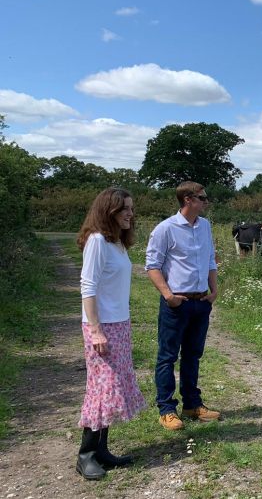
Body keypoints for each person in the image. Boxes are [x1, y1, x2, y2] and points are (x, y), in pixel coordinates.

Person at [76, 188, 147, 480]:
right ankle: (86, 455)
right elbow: (87, 287)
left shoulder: (117, 242)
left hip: (119, 324)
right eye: (124, 209)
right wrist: (95, 331)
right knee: (101, 389)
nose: (130, 213)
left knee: (112, 387)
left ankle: (102, 451)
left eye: (131, 208)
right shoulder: (96, 241)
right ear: (109, 211)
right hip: (101, 327)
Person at [145, 181, 220, 431]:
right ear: (188, 200)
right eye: (203, 197)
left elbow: (210, 259)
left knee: (192, 355)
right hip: (177, 303)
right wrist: (168, 296)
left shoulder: (205, 226)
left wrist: (214, 291)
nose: (207, 201)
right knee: (167, 356)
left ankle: (191, 404)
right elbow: (152, 266)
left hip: (201, 302)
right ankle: (166, 409)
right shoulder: (165, 229)